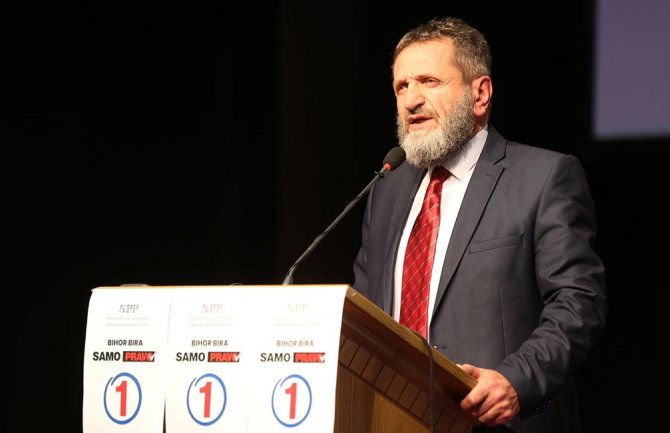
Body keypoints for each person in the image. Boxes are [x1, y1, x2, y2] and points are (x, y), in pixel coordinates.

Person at [352, 17, 607, 433]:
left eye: (429, 81)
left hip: (495, 422)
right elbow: (366, 314)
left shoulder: (542, 177)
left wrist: (516, 381)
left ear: (480, 94)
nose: (411, 100)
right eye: (401, 86)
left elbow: (578, 301)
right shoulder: (386, 189)